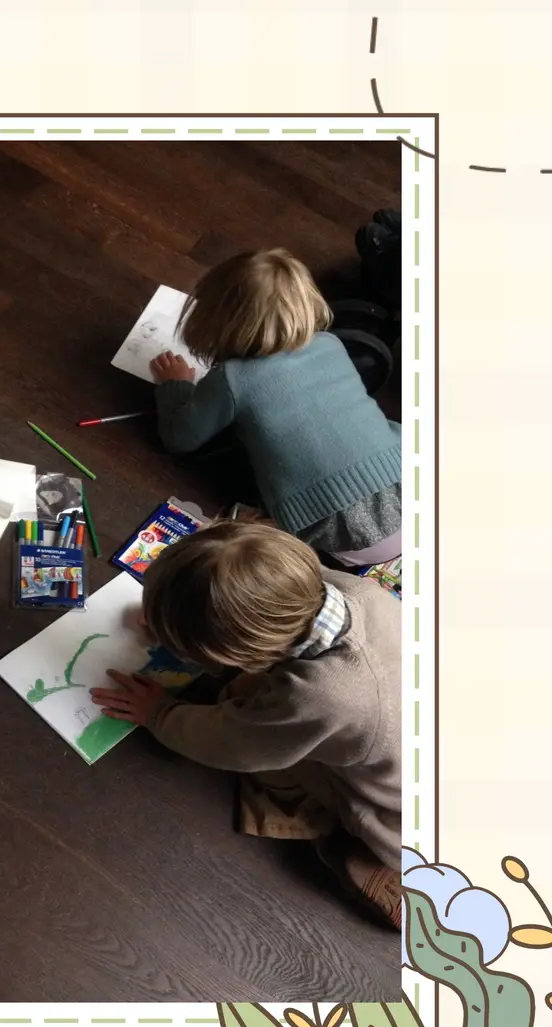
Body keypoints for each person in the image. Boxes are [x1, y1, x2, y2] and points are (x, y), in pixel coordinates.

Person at [90, 521, 402, 926]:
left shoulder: (321, 696)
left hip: (403, 811)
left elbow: (233, 744)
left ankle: (378, 866)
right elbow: (243, 587)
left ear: (231, 652)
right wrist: (180, 618)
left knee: (255, 727)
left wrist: (158, 714)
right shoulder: (350, 590)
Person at [149, 248, 402, 567]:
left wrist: (175, 385)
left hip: (343, 537)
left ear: (212, 322)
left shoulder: (232, 377)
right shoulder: (330, 343)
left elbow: (180, 437)